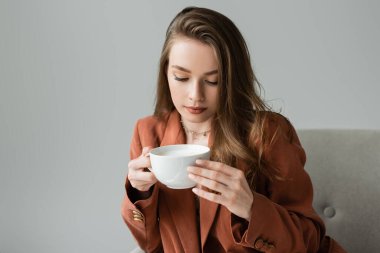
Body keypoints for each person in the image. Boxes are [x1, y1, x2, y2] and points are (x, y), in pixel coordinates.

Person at [121, 6, 346, 253]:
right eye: (181, 78)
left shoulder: (267, 133)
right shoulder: (148, 132)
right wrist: (139, 194)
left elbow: (310, 241)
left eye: (212, 81)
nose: (195, 95)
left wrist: (251, 208)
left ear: (232, 79)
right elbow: (149, 244)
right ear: (166, 73)